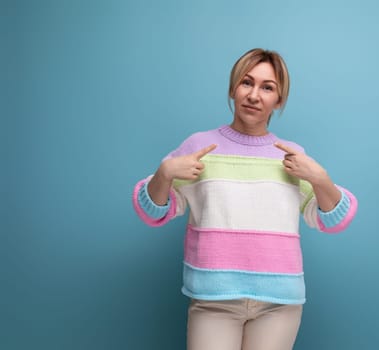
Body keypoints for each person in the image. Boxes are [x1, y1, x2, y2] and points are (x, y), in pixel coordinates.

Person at [132, 48, 358, 350]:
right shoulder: (200, 146)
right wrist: (165, 172)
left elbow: (335, 219)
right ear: (233, 88)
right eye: (246, 83)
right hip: (214, 300)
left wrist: (320, 178)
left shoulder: (290, 154)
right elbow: (153, 212)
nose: (254, 95)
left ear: (279, 100)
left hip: (279, 304)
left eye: (267, 87)